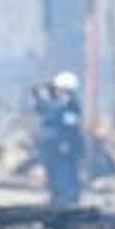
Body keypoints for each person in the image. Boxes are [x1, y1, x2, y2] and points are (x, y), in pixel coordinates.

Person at [31, 71, 84, 206]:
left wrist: (65, 142)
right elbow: (42, 110)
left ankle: (67, 197)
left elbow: (68, 125)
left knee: (64, 170)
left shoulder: (70, 104)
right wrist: (39, 98)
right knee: (52, 170)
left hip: (63, 142)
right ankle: (56, 196)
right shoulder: (57, 102)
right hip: (52, 141)